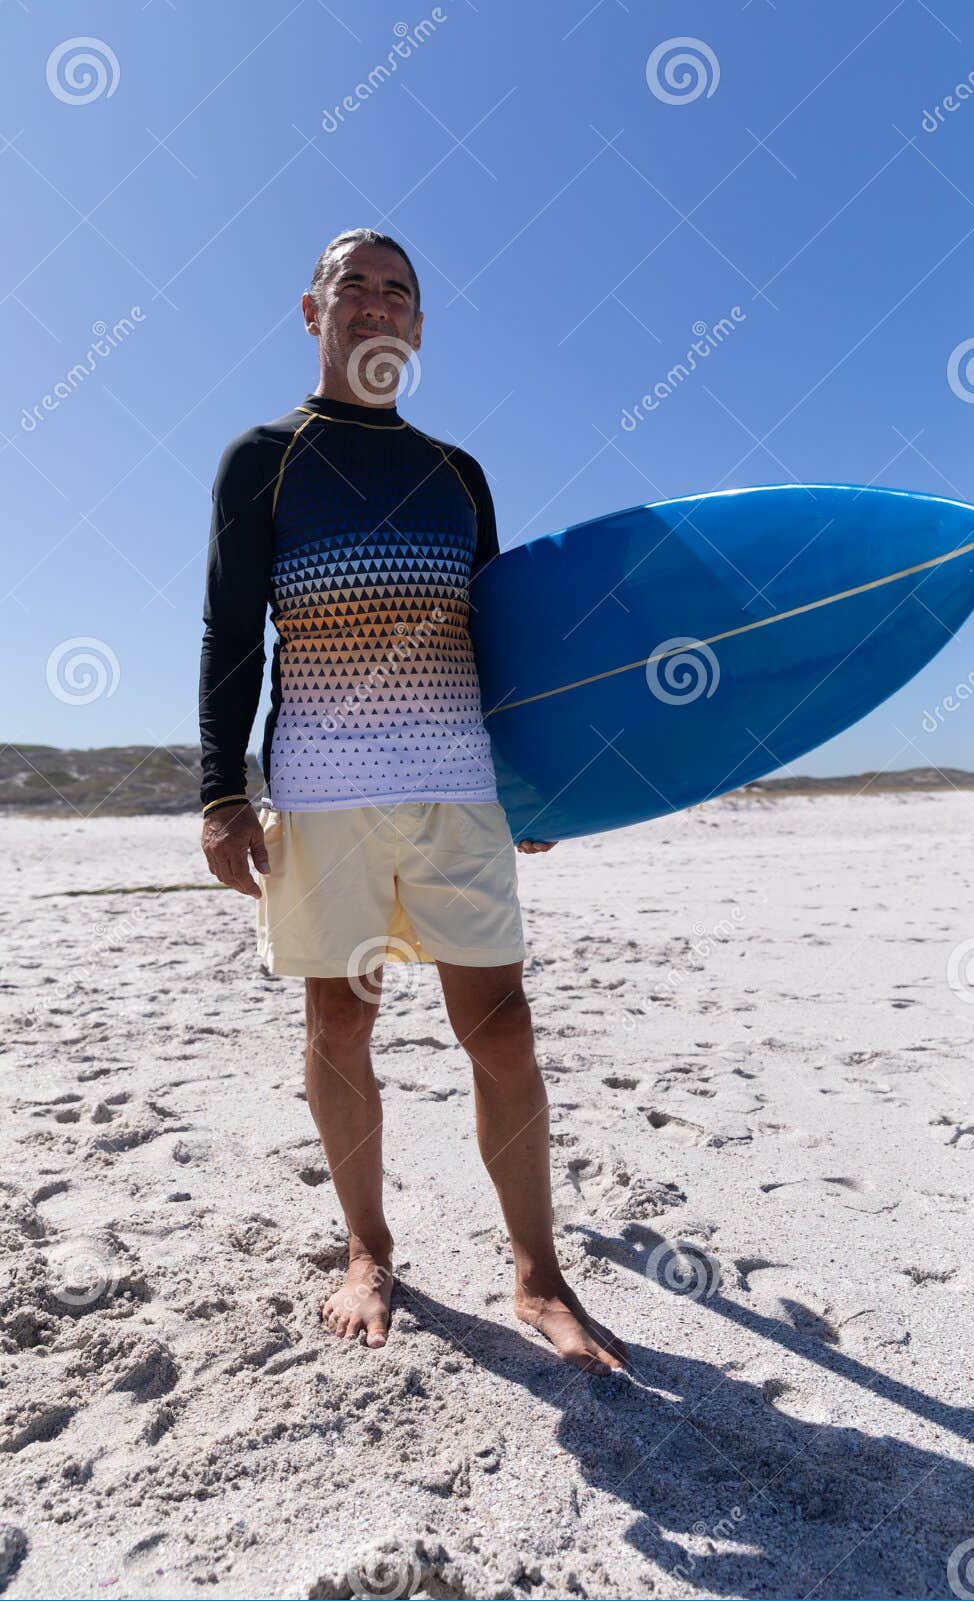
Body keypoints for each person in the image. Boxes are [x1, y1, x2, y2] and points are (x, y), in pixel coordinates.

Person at [197, 228, 627, 1377]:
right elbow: (230, 633)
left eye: (399, 291)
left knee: (504, 1025)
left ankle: (538, 1274)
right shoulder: (264, 459)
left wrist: (535, 774)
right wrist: (219, 791)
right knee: (339, 1023)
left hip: (456, 785)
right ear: (313, 311)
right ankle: (367, 1248)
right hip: (325, 791)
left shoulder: (456, 472)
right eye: (356, 285)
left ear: (419, 327)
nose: (377, 304)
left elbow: (503, 640)